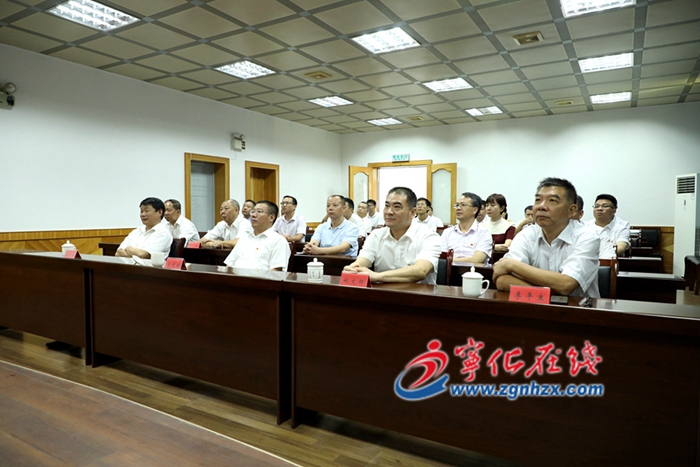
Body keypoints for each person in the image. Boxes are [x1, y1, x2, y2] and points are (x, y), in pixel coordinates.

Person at [493, 177, 600, 297]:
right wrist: (549, 294)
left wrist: (512, 265)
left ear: (571, 210)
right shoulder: (526, 234)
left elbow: (566, 284)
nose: (541, 206)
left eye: (552, 200)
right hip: (534, 307)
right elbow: (502, 280)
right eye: (538, 200)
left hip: (578, 307)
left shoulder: (587, 237)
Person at [344, 187, 441, 284]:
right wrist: (353, 268)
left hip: (418, 293)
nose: (389, 212)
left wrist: (377, 276)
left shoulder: (429, 236)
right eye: (387, 206)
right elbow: (361, 261)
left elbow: (421, 271)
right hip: (382, 292)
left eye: (397, 207)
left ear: (412, 212)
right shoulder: (376, 235)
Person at [224, 201, 291, 271]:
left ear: (271, 217)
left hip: (259, 278)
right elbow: (229, 264)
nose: (253, 215)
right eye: (253, 211)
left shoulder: (278, 241)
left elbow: (275, 272)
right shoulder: (244, 238)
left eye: (259, 211)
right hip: (235, 277)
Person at [441, 192, 493, 265]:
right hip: (448, 271)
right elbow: (442, 258)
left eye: (463, 205)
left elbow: (477, 259)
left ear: (475, 210)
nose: (458, 208)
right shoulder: (447, 232)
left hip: (473, 271)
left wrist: (449, 260)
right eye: (457, 205)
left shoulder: (483, 233)